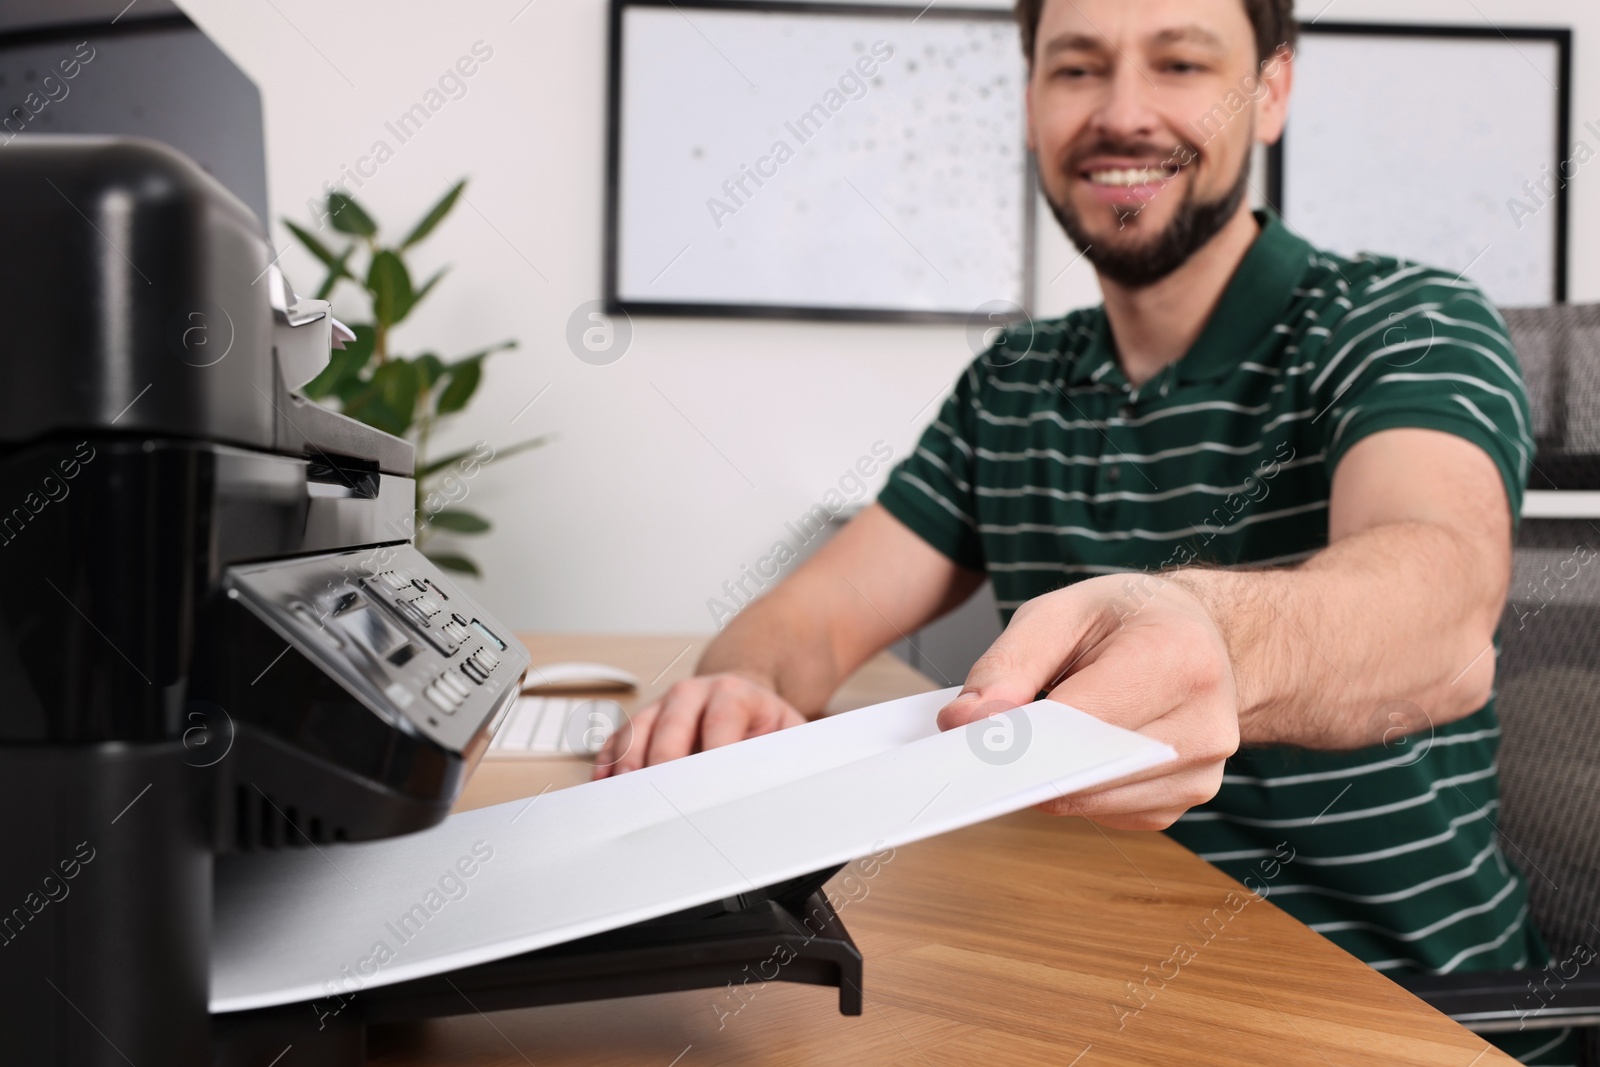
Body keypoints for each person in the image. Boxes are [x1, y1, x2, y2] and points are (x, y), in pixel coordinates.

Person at [596, 0, 1570, 1061]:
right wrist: (741, 689)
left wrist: (1215, 633)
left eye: (1181, 61)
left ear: (1273, 91)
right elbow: (810, 620)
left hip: (1391, 1010)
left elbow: (1439, 613)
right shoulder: (1012, 382)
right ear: (1029, 102)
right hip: (1079, 981)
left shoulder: (1401, 320)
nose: (1122, 113)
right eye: (1075, 68)